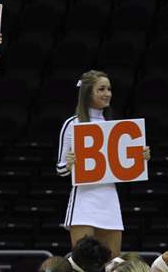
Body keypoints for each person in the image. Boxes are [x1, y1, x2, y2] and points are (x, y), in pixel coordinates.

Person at [58, 70, 150, 257]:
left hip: (109, 199)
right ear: (87, 93)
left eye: (109, 89)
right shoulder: (73, 124)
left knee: (113, 265)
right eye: (101, 89)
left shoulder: (114, 126)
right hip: (84, 201)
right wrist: (69, 164)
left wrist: (139, 156)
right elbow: (60, 168)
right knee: (83, 264)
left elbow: (124, 166)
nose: (107, 93)